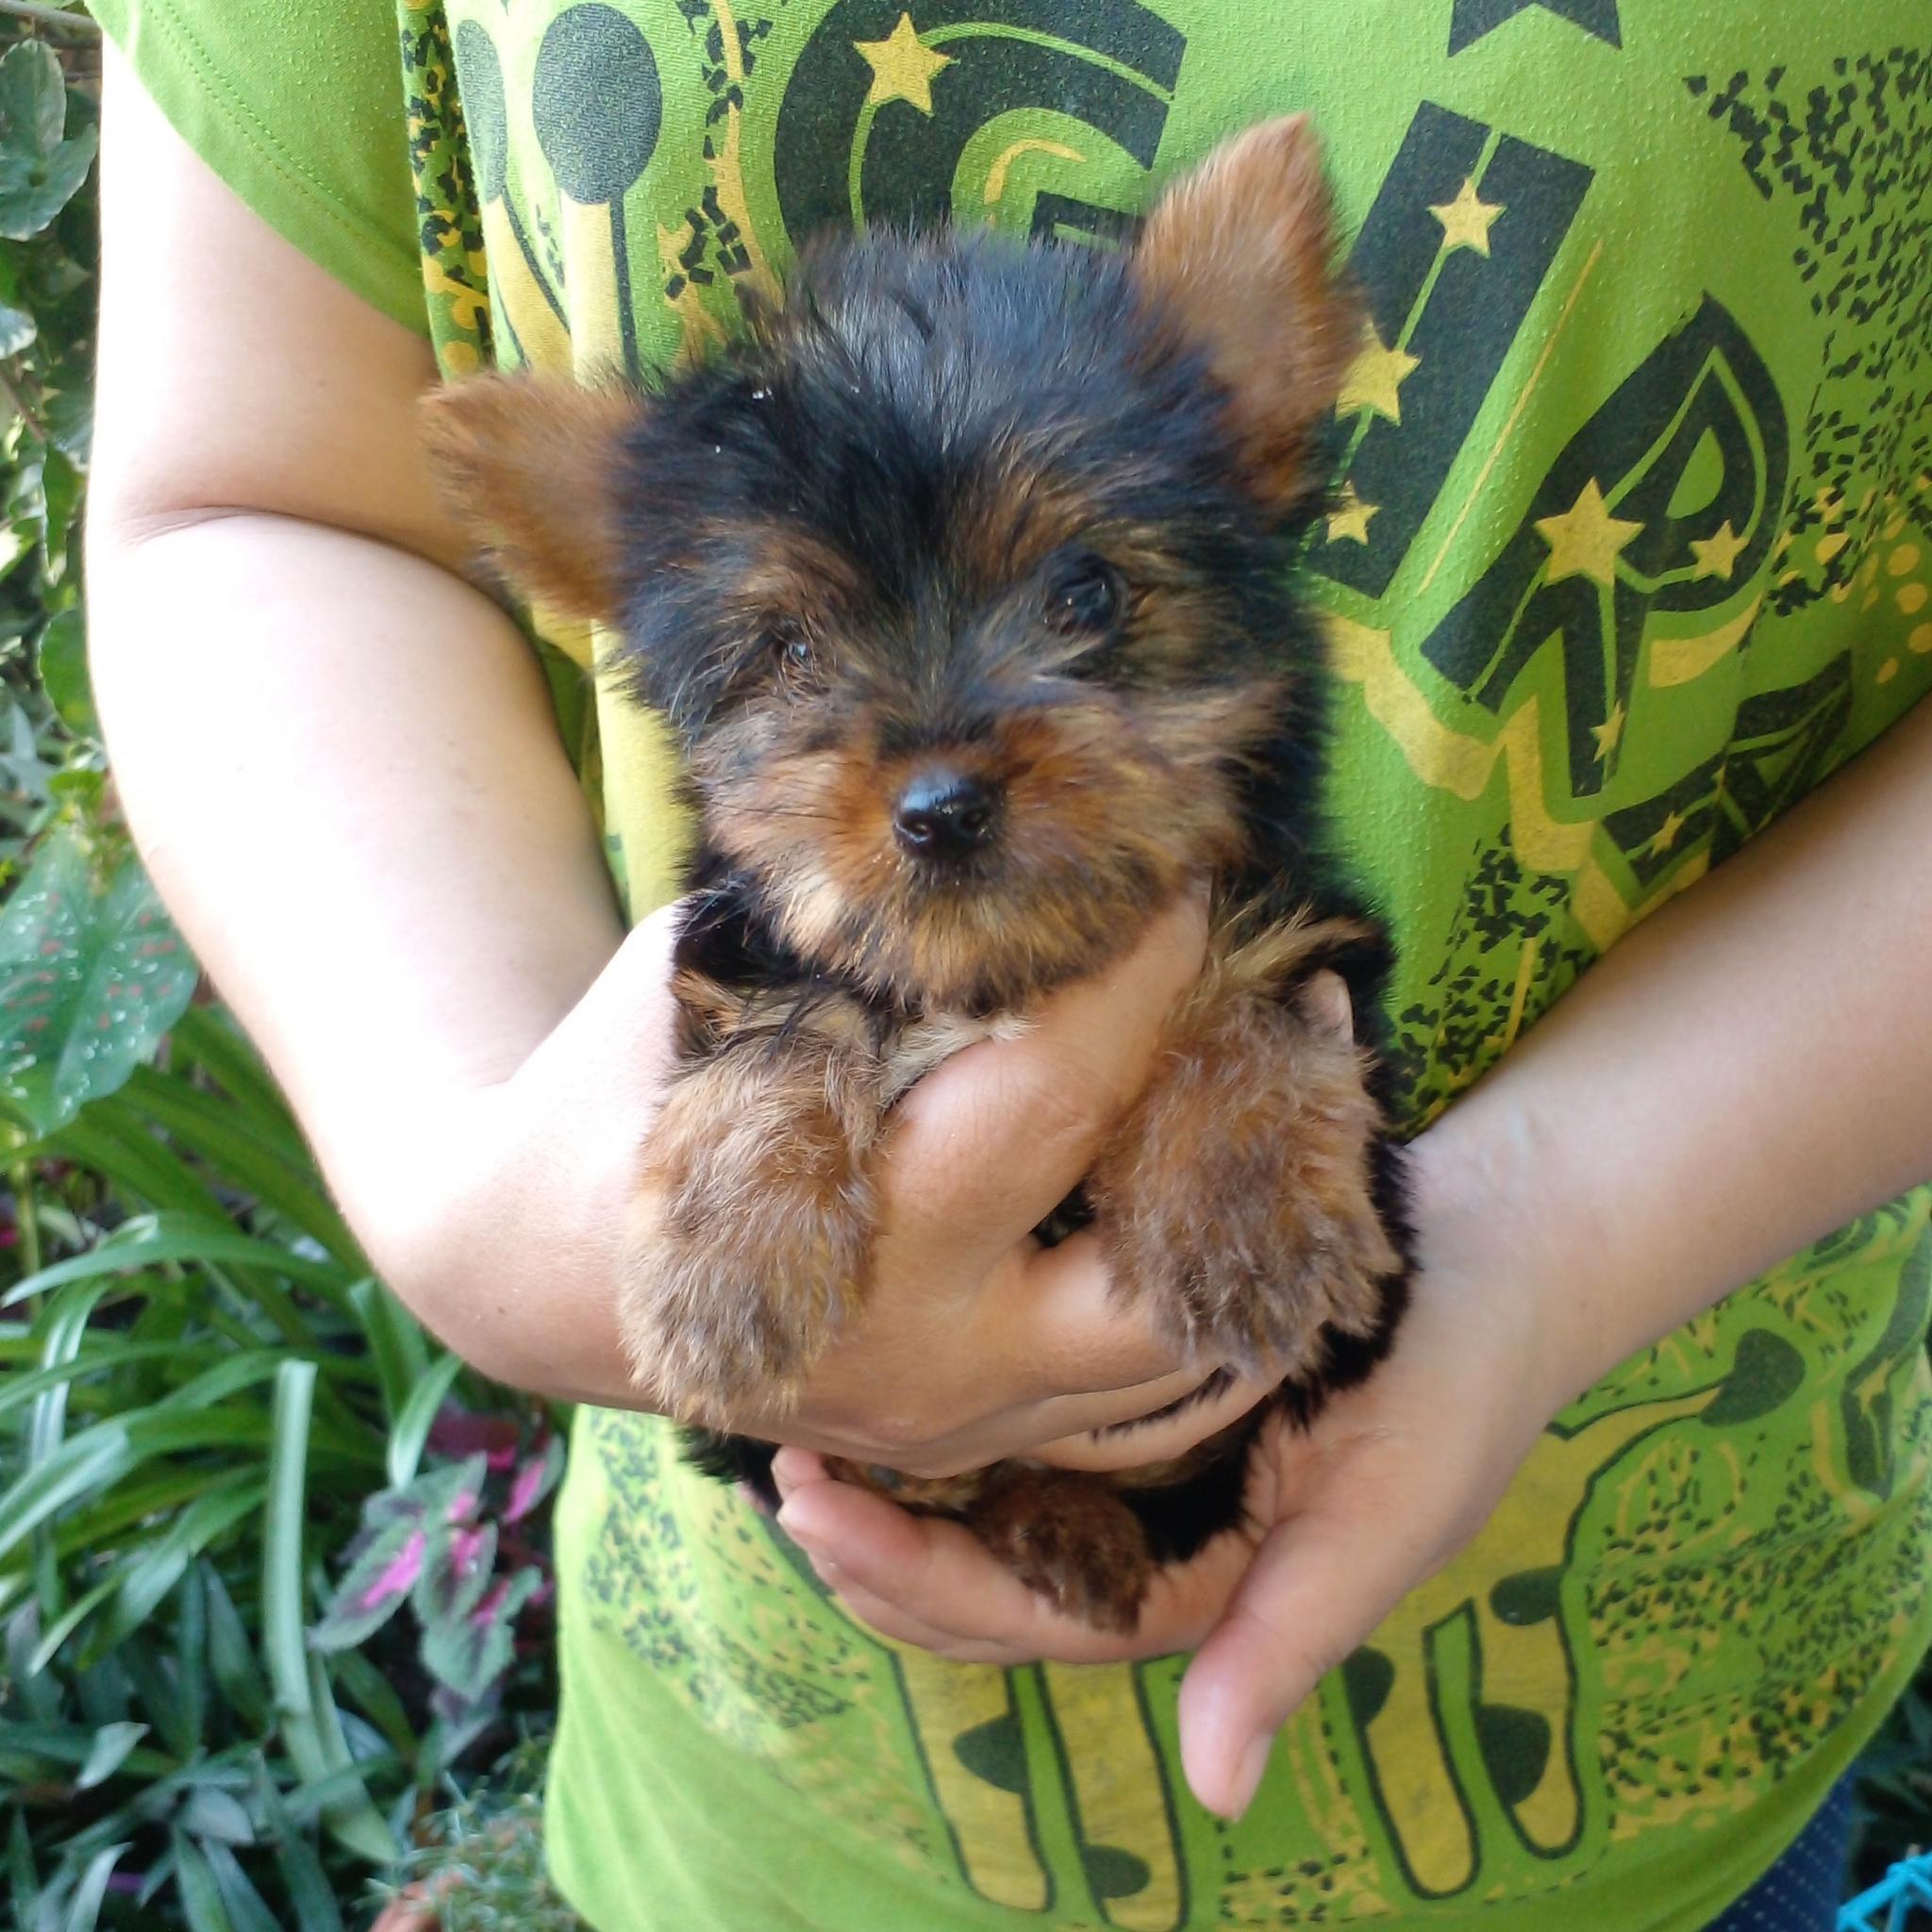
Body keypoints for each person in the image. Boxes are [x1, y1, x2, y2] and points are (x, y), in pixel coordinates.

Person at [82, 3, 1932, 1928]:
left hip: (1675, 1725)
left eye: (1081, 595)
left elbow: (1286, 1019)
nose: (942, 764)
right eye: (794, 651)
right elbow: (265, 502)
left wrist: (1544, 1236)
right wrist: (475, 1186)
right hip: (756, 1798)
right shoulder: (771, 920)